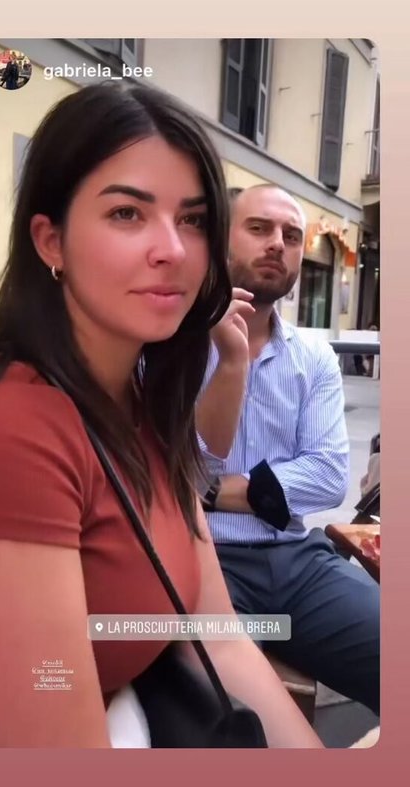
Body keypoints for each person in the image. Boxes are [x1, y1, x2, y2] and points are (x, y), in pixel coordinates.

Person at [0, 83, 323, 748]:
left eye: (192, 220)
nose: (173, 249)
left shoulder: (141, 398)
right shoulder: (15, 429)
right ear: (51, 241)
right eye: (127, 214)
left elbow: (219, 639)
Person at [197, 184, 380, 716]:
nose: (278, 243)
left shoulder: (314, 357)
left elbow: (327, 476)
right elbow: (164, 470)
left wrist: (210, 491)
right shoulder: (169, 345)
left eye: (292, 236)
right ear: (219, 240)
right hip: (202, 558)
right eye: (258, 228)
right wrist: (240, 490)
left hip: (298, 562)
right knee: (226, 708)